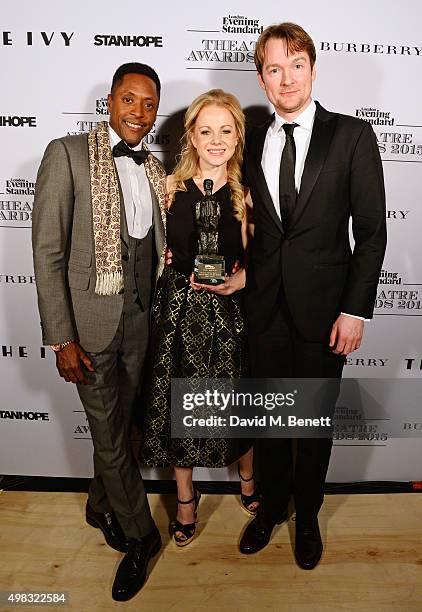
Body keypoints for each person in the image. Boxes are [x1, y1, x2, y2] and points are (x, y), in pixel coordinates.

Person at [239, 23, 387, 569]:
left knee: (313, 421)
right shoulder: (248, 136)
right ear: (261, 79)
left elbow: (372, 232)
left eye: (295, 65)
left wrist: (354, 309)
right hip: (264, 307)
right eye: (273, 69)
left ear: (313, 69)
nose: (286, 79)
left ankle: (306, 517)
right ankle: (272, 507)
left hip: (326, 311)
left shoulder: (350, 135)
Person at [32, 62, 166, 602]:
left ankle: (98, 505)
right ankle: (141, 537)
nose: (139, 112)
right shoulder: (65, 154)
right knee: (109, 435)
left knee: (125, 430)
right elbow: (47, 252)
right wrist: (61, 339)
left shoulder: (156, 169)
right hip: (88, 327)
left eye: (149, 103)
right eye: (129, 99)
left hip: (141, 321)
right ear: (109, 100)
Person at [140, 89, 259, 546]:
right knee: (182, 405)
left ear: (237, 137)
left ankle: (248, 481)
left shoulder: (245, 194)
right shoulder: (168, 188)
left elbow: (259, 258)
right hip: (178, 311)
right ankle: (186, 498)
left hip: (228, 313)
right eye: (206, 130)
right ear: (190, 134)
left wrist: (242, 280)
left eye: (225, 131)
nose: (216, 140)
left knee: (238, 403)